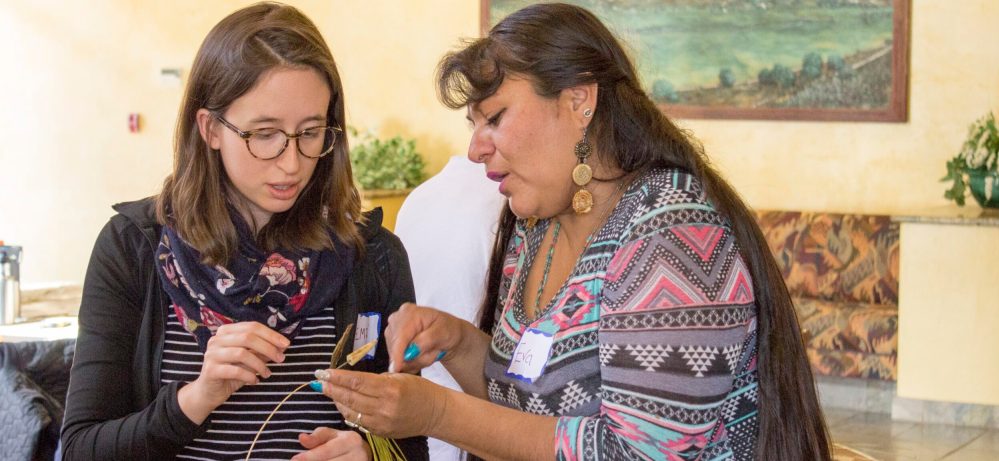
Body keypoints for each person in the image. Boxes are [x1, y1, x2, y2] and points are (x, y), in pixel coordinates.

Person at [312, 3, 831, 460]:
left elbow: (634, 453)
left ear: (579, 101)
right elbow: (531, 406)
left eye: (494, 117)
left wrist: (438, 415)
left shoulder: (674, 238)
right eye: (472, 125)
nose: (475, 149)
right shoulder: (538, 228)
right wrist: (460, 343)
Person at [60, 3, 427, 460]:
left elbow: (410, 443)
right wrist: (197, 397)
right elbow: (79, 450)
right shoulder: (134, 247)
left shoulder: (371, 256)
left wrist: (373, 454)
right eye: (264, 133)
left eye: (311, 132)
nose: (292, 163)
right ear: (210, 128)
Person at [393, 155, 505, 461]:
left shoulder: (421, 196)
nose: (476, 147)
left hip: (436, 418)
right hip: (465, 420)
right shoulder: (503, 201)